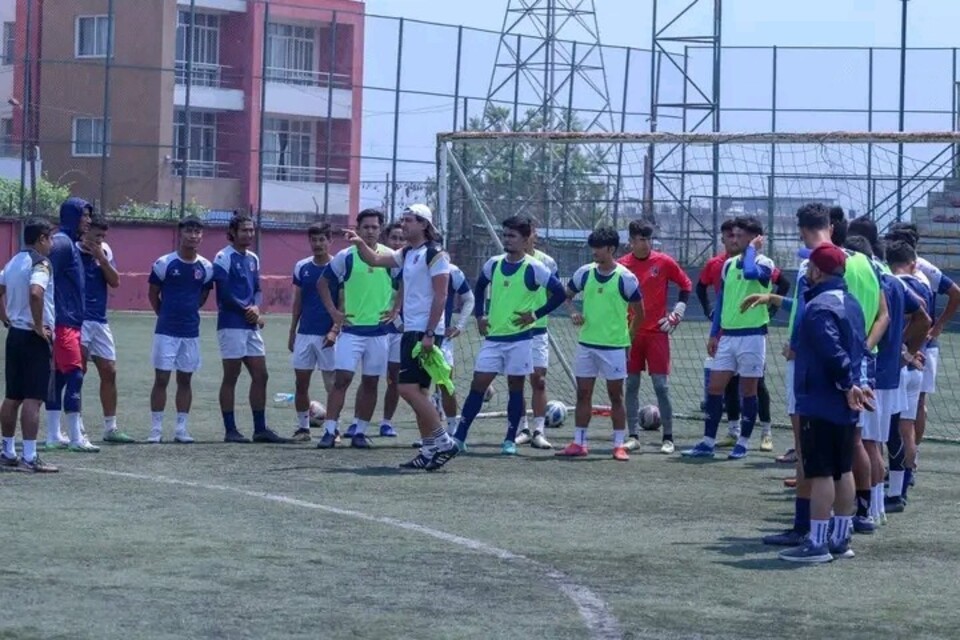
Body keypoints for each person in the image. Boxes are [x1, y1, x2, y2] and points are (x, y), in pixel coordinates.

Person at [343, 204, 457, 471]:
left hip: (423, 331)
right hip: (412, 329)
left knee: (406, 388)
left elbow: (441, 295)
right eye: (403, 220)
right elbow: (374, 260)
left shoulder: (435, 254)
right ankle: (429, 450)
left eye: (408, 220)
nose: (403, 225)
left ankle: (443, 441)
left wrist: (429, 333)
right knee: (419, 391)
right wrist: (360, 243)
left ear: (424, 225)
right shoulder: (407, 253)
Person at [779, 244, 870, 563]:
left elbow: (833, 352)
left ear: (818, 271)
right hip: (845, 401)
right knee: (843, 470)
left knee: (819, 472)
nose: (805, 271)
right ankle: (840, 539)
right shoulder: (852, 302)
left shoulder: (818, 307)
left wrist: (846, 384)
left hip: (821, 398)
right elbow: (857, 349)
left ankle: (816, 544)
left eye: (809, 266)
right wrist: (857, 384)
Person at [452, 215, 565, 455]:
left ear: (526, 240)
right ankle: (460, 437)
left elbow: (559, 293)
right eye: (505, 235)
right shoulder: (493, 263)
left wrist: (535, 315)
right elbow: (480, 286)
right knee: (478, 384)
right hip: (493, 339)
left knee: (516, 386)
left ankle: (510, 439)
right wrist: (480, 316)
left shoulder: (535, 267)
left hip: (521, 340)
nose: (507, 240)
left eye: (512, 236)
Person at [683, 216, 775, 460]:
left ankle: (743, 442)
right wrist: (714, 333)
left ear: (754, 238)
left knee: (748, 390)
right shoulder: (727, 264)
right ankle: (707, 441)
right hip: (728, 337)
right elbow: (723, 300)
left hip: (753, 336)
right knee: (714, 388)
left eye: (741, 235)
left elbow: (750, 272)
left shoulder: (764, 263)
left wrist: (753, 251)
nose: (735, 239)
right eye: (733, 235)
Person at [556, 226, 643, 461]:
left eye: (599, 247)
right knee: (583, 394)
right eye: (592, 247)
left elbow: (639, 313)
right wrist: (573, 311)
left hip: (614, 348)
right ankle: (579, 442)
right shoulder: (584, 273)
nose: (594, 251)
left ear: (611, 249)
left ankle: (618, 445)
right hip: (587, 345)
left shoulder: (626, 278)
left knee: (616, 397)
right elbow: (566, 295)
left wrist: (628, 339)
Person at [884, 222, 960, 476]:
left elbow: (955, 293)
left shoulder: (923, 268)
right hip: (907, 344)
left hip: (923, 345)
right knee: (902, 405)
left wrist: (937, 327)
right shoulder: (891, 268)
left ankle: (909, 458)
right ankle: (903, 460)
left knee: (916, 403)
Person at [317, 209, 394, 450]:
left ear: (380, 229)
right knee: (342, 380)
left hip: (379, 333)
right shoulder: (346, 256)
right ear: (358, 229)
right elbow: (322, 283)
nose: (370, 231)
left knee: (371, 383)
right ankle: (330, 431)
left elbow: (405, 283)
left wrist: (396, 309)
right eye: (366, 227)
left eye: (374, 227)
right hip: (351, 331)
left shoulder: (391, 256)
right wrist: (334, 313)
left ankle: (360, 431)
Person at [618, 219, 692, 454]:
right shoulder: (621, 266)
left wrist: (677, 312)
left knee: (661, 386)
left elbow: (686, 285)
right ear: (630, 241)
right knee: (631, 384)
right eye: (641, 239)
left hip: (657, 334)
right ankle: (633, 435)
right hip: (630, 334)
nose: (646, 243)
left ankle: (668, 438)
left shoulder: (664, 261)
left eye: (649, 239)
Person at [213, 214, 288, 444]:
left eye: (251, 230)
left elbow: (256, 288)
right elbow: (224, 293)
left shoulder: (253, 258)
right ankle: (230, 430)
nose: (249, 234)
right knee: (232, 376)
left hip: (250, 324)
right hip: (231, 324)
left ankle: (260, 429)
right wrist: (248, 310)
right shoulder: (223, 257)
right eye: (244, 230)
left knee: (261, 374)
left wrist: (255, 306)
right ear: (233, 232)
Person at [147, 217, 214, 443]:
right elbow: (152, 293)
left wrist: (189, 312)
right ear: (180, 233)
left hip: (190, 332)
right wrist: (164, 314)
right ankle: (156, 430)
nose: (193, 235)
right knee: (162, 379)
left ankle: (181, 429)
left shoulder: (206, 267)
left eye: (197, 232)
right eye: (189, 231)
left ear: (201, 236)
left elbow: (204, 295)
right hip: (166, 331)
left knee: (185, 380)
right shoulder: (164, 263)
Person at [0, 217, 58, 472]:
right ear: (42, 238)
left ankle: (7, 449)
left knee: (12, 396)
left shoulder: (13, 262)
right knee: (34, 397)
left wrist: (5, 317)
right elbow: (36, 292)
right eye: (51, 238)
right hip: (33, 337)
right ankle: (30, 456)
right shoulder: (41, 263)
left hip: (15, 335)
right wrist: (37, 325)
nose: (52, 243)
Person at [44, 197, 98, 452]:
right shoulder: (63, 244)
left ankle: (55, 434)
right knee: (75, 375)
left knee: (60, 377)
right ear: (72, 216)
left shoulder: (69, 244)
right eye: (84, 215)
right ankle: (76, 437)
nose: (88, 220)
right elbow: (43, 276)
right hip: (63, 322)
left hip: (67, 320)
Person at [78, 216, 134, 444]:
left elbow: (115, 281)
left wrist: (102, 258)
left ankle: (110, 428)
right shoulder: (70, 250)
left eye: (103, 236)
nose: (100, 240)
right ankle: (76, 426)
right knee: (77, 374)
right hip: (77, 320)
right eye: (97, 236)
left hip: (99, 321)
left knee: (109, 371)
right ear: (85, 232)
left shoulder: (105, 252)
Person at [886, 239, 932, 513]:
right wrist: (912, 351)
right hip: (917, 362)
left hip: (901, 366)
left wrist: (902, 351)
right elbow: (925, 321)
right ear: (912, 263)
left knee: (890, 432)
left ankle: (892, 492)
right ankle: (903, 485)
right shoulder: (923, 284)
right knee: (907, 429)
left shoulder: (893, 285)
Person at [289, 223, 340, 442]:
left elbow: (344, 302)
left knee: (332, 385)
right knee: (301, 383)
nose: (317, 244)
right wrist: (293, 330)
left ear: (330, 241)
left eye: (322, 240)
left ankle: (333, 429)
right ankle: (303, 428)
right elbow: (298, 301)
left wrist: (334, 330)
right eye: (314, 240)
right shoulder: (302, 266)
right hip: (305, 334)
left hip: (328, 335)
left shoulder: (339, 266)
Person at [514, 226, 557, 450]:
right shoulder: (508, 260)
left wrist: (537, 313)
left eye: (531, 234)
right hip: (515, 331)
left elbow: (555, 293)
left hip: (538, 329)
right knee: (517, 381)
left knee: (538, 380)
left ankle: (539, 431)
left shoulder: (546, 262)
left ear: (533, 237)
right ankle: (522, 429)